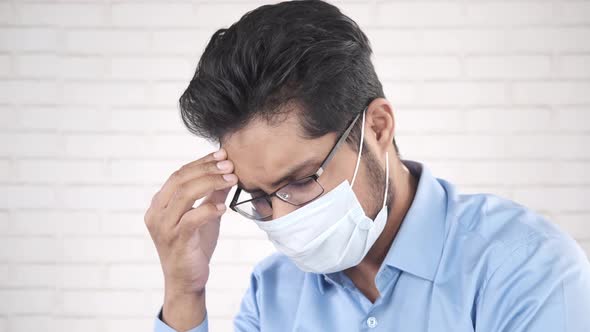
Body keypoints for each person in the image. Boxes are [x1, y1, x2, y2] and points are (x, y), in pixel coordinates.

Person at [145, 1, 590, 331]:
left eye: (300, 182)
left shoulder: (524, 268)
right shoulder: (273, 292)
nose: (283, 221)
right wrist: (185, 293)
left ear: (377, 128)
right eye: (259, 198)